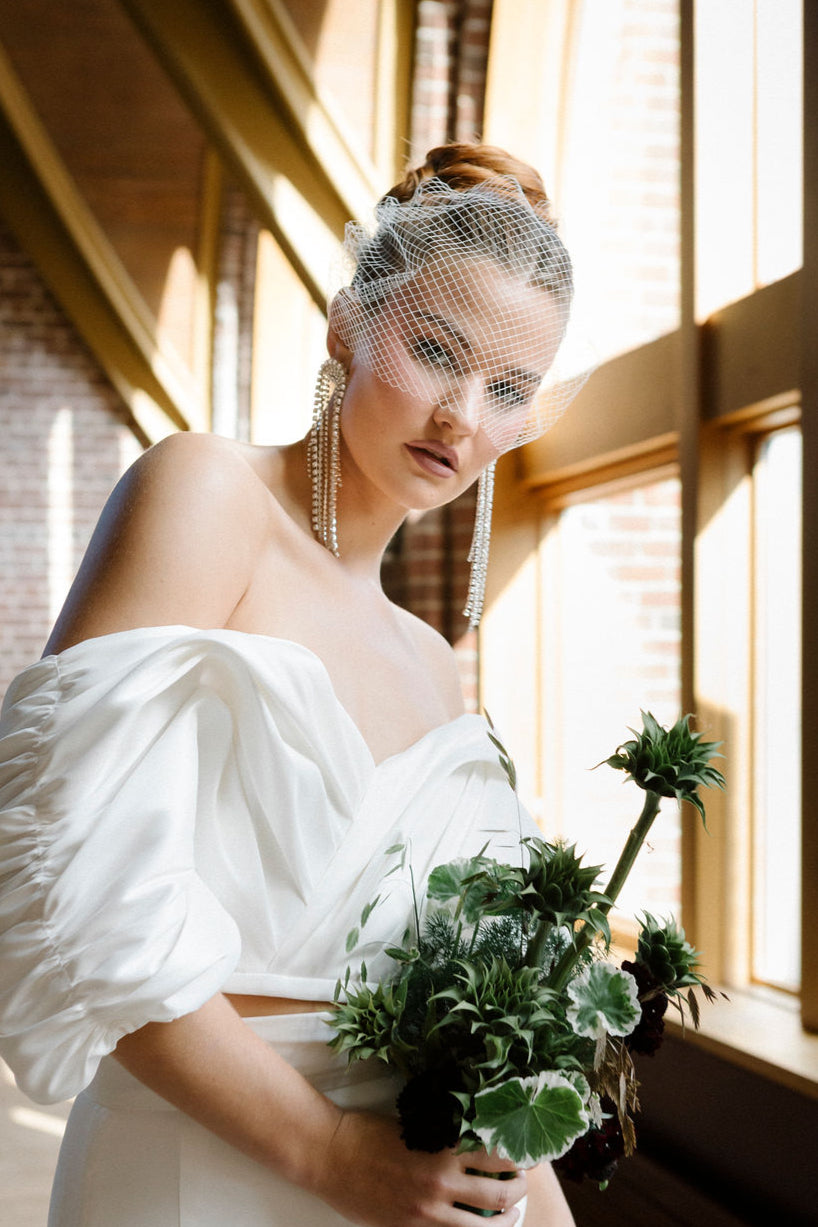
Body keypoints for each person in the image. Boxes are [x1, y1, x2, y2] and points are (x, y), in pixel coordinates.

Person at [0, 144, 581, 1226]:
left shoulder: (432, 662)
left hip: (414, 1188)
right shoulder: (206, 493)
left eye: (506, 388)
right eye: (433, 350)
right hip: (197, 1166)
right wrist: (330, 1155)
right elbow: (61, 873)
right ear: (346, 323)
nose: (460, 413)